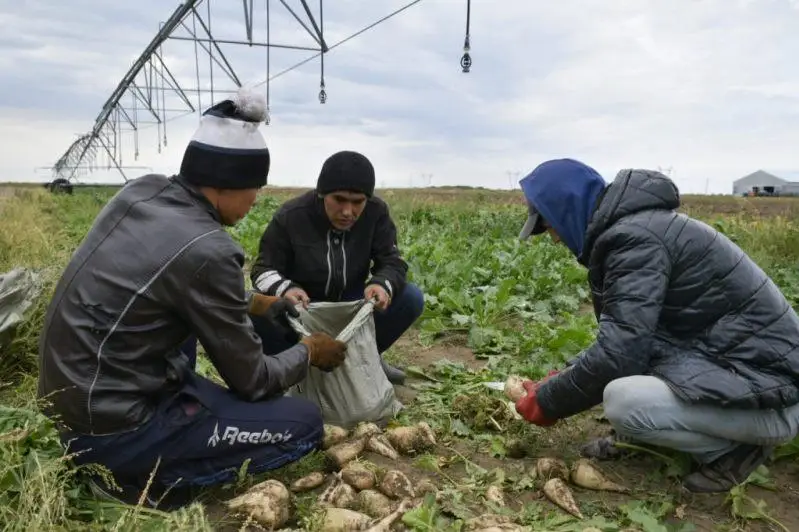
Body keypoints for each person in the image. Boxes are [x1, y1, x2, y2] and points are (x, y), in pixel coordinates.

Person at [37, 88, 348, 509]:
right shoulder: (211, 249)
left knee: (185, 335)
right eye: (255, 187)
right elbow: (254, 381)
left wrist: (257, 302)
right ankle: (134, 481)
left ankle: (175, 424)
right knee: (305, 423)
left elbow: (170, 281)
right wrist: (309, 351)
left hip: (72, 404)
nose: (255, 199)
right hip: (113, 433)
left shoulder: (140, 192)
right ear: (226, 183)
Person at [513, 158, 799, 493]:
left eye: (549, 226)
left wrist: (549, 401)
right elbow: (639, 339)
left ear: (568, 210)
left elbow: (619, 356)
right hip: (752, 376)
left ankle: (735, 449)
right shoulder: (637, 230)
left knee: (623, 401)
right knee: (624, 378)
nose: (554, 239)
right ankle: (663, 436)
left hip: (776, 396)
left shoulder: (634, 241)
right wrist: (565, 376)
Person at [249, 150, 425, 385]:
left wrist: (381, 284)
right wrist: (286, 289)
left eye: (357, 202)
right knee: (254, 310)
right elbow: (262, 269)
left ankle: (367, 358)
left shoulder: (376, 213)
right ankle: (296, 364)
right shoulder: (291, 216)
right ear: (322, 194)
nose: (347, 212)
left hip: (351, 306)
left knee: (411, 297)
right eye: (339, 200)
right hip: (303, 309)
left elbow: (392, 262)